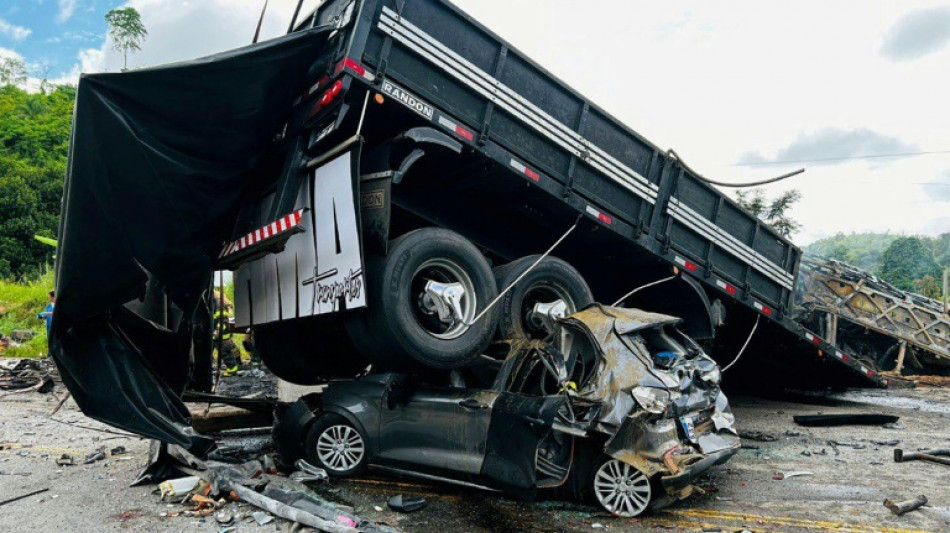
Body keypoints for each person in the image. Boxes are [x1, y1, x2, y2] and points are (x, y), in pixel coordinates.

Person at [212, 291, 240, 377]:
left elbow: (221, 321)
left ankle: (232, 370)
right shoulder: (219, 303)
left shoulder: (218, 304)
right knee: (225, 350)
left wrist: (217, 332)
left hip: (222, 335)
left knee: (225, 352)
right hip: (221, 334)